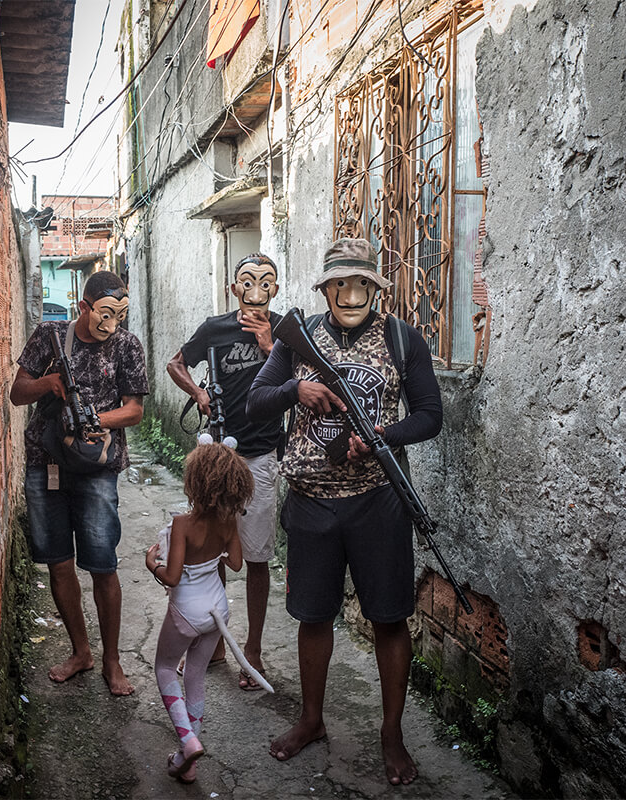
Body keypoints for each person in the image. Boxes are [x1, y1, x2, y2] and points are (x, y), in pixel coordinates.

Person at [247, 238, 442, 785]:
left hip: (379, 499)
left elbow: (430, 415)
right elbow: (256, 402)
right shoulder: (299, 338)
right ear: (326, 288)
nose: (351, 294)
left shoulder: (403, 339)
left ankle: (391, 734)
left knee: (388, 616)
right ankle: (310, 719)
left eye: (362, 284)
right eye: (341, 284)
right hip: (312, 500)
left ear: (375, 289)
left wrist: (385, 435)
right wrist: (296, 390)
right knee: (313, 615)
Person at [9, 271, 149, 696]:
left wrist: (93, 420)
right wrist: (49, 384)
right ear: (84, 307)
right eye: (104, 314)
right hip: (45, 462)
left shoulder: (127, 345)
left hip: (97, 467)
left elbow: (135, 411)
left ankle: (111, 661)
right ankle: (81, 652)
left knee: (102, 564)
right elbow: (17, 393)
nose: (111, 325)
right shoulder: (50, 335)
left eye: (120, 315)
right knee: (58, 561)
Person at [166, 252, 283, 690]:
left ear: (275, 288)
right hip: (217, 456)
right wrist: (198, 392)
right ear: (234, 288)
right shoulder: (214, 329)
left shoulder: (286, 330)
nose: (256, 292)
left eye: (265, 283)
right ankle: (214, 641)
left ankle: (251, 650)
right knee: (211, 551)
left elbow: (303, 378)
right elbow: (176, 363)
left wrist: (271, 346)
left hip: (260, 454)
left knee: (256, 557)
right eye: (247, 283)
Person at [144, 443, 253, 783]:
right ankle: (187, 764)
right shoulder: (230, 522)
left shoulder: (182, 524)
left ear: (195, 482)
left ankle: (188, 741)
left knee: (164, 668)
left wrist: (151, 565)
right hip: (217, 609)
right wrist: (215, 554)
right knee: (195, 676)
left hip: (186, 610)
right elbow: (235, 564)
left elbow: (172, 577)